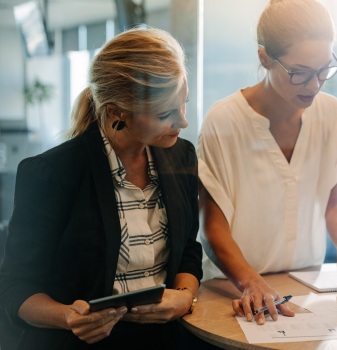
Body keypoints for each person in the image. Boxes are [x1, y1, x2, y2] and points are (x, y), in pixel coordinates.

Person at [0, 27, 204, 349]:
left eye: (184, 105)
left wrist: (184, 297)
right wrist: (68, 316)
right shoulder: (53, 174)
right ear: (117, 112)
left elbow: (188, 252)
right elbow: (16, 288)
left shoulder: (181, 154)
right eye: (165, 113)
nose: (183, 122)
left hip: (166, 339)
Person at [197, 0, 337, 325]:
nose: (314, 85)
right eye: (300, 73)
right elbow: (212, 227)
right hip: (235, 287)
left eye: (324, 69)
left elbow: (336, 198)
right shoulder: (224, 121)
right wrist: (250, 281)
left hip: (303, 287)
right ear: (264, 57)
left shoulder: (329, 113)